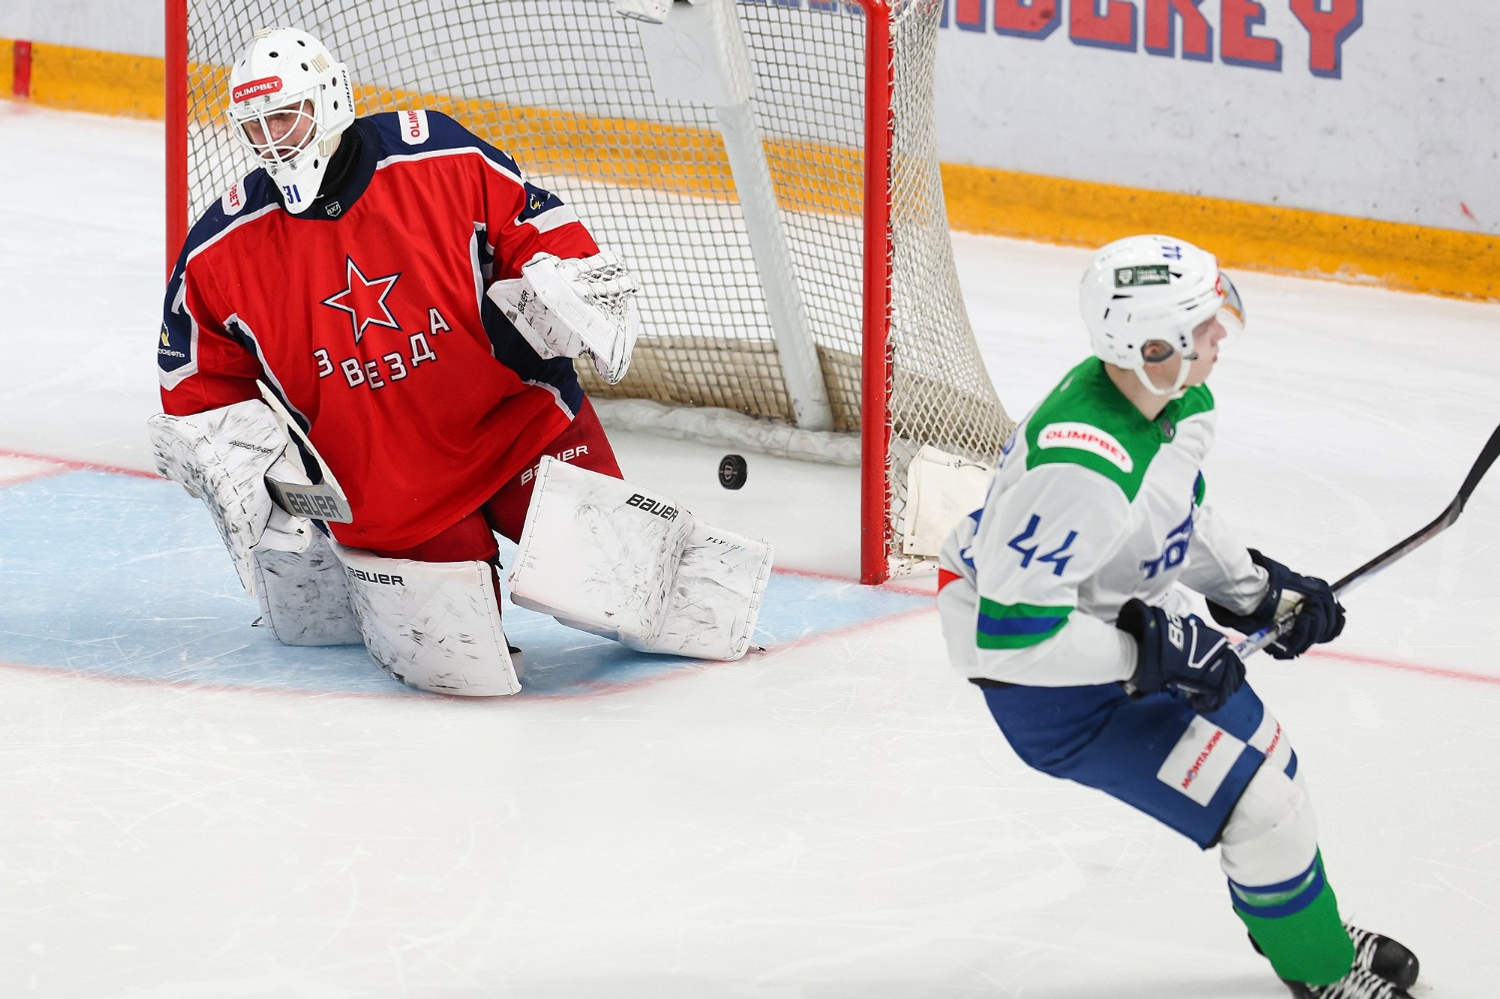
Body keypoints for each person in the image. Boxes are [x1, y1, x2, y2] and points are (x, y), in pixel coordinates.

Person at [149, 27, 771, 696]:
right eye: (256, 124)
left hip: (518, 428)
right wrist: (243, 461)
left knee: (652, 594)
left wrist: (570, 276)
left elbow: (530, 223)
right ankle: (346, 580)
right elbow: (192, 376)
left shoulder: (437, 156)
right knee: (466, 674)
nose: (273, 138)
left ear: (329, 101)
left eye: (285, 114)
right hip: (387, 490)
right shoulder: (222, 250)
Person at [936, 235, 1419, 998]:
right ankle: (1320, 970)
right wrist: (1145, 655)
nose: (1220, 335)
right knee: (1266, 811)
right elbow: (1008, 642)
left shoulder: (1175, 398)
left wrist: (1257, 592)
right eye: (1202, 325)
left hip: (1136, 630)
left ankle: (1301, 928)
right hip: (1061, 697)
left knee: (1277, 771)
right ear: (1149, 343)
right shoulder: (1077, 471)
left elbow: (1173, 515)